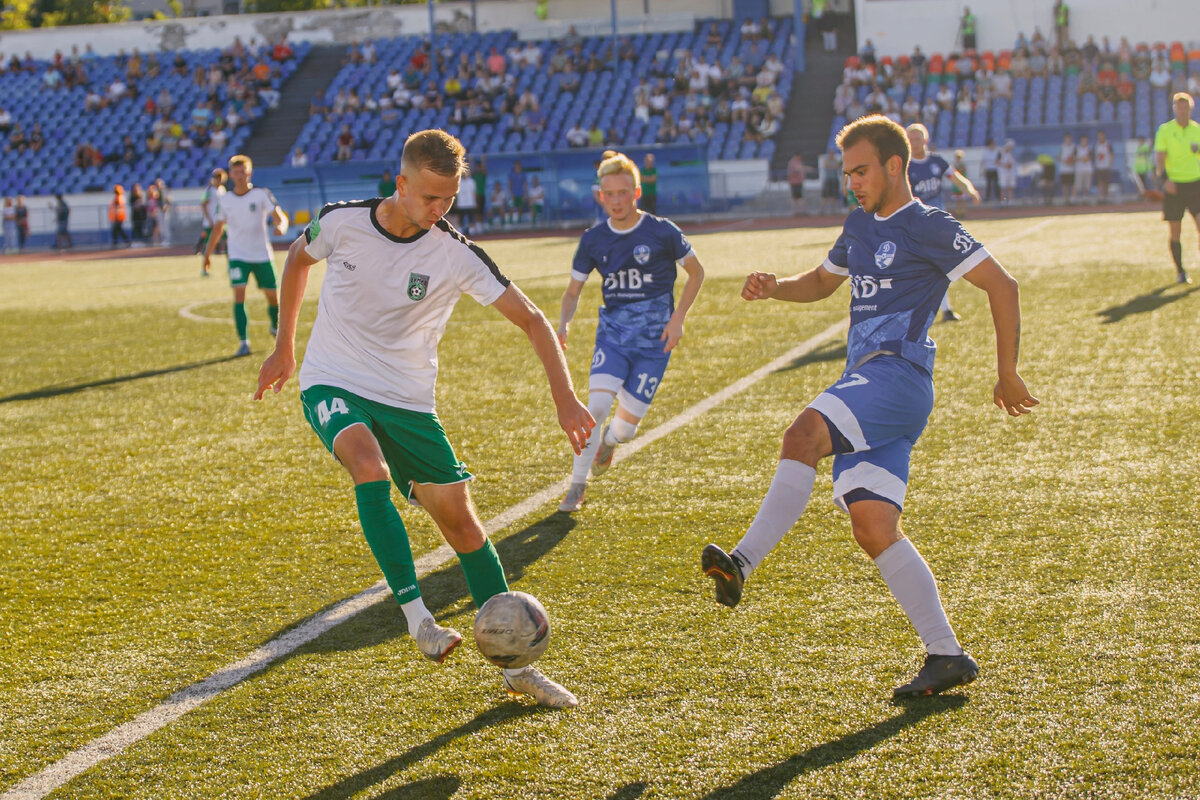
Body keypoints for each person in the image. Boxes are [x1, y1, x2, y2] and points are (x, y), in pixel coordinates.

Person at [700, 114, 1038, 699]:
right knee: (873, 525)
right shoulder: (858, 225)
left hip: (898, 376)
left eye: (860, 170)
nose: (852, 181)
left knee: (801, 435)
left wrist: (1005, 372)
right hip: (870, 383)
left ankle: (742, 563)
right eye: (846, 172)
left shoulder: (928, 225)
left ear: (894, 165)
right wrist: (776, 285)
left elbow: (1002, 285)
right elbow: (823, 282)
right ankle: (946, 655)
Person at [254, 129, 592, 708]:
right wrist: (285, 346)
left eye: (450, 200)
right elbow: (296, 260)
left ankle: (515, 670)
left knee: (462, 525)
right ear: (401, 184)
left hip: (408, 400)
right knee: (368, 466)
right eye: (431, 197)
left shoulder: (453, 251)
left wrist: (564, 397)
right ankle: (419, 621)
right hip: (334, 380)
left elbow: (534, 319)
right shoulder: (342, 222)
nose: (440, 210)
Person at [555, 152, 705, 512]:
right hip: (614, 336)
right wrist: (563, 324)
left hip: (656, 343)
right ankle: (577, 486)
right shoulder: (593, 240)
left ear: (636, 192)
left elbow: (697, 273)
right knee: (597, 405)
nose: (617, 200)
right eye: (610, 194)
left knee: (625, 430)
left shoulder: (662, 231)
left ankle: (609, 441)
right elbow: (573, 291)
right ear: (600, 196)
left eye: (624, 192)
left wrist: (678, 317)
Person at [202, 155, 289, 357]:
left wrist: (281, 226)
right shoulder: (225, 200)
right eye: (236, 172)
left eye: (244, 172)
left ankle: (274, 326)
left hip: (261, 254)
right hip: (238, 255)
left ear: (249, 173)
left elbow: (279, 215)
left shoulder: (260, 194)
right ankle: (244, 341)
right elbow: (217, 228)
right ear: (230, 175)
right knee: (239, 295)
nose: (240, 176)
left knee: (272, 297)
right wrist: (207, 254)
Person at [905, 124, 980, 322]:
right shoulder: (904, 164)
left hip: (937, 221)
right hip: (913, 222)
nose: (914, 142)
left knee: (939, 265)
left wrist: (969, 190)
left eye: (917, 138)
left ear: (925, 139)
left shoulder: (937, 161)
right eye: (910, 139)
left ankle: (945, 309)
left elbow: (955, 177)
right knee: (915, 268)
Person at [1154, 92, 1200, 284]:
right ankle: (1180, 271)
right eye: (1179, 107)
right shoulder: (1165, 130)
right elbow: (1160, 158)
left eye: (1185, 107)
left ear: (1191, 108)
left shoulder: (1197, 130)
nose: (1182, 110)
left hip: (1196, 184)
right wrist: (1165, 180)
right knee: (1175, 230)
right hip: (1175, 186)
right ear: (1174, 109)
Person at [196, 168, 227, 268]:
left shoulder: (222, 190)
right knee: (209, 245)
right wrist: (209, 220)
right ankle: (204, 268)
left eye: (221, 178)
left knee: (228, 243)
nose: (219, 180)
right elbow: (203, 205)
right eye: (217, 178)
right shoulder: (209, 190)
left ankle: (230, 266)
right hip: (210, 223)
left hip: (221, 222)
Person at [1093, 130, 1115, 203]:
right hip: (1099, 166)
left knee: (1106, 182)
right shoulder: (1096, 144)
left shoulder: (1108, 144)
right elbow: (1094, 155)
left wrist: (1110, 164)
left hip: (1106, 166)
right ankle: (1100, 197)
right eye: (1099, 135)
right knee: (1100, 182)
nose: (1100, 137)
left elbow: (1111, 154)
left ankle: (1106, 197)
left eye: (1101, 135)